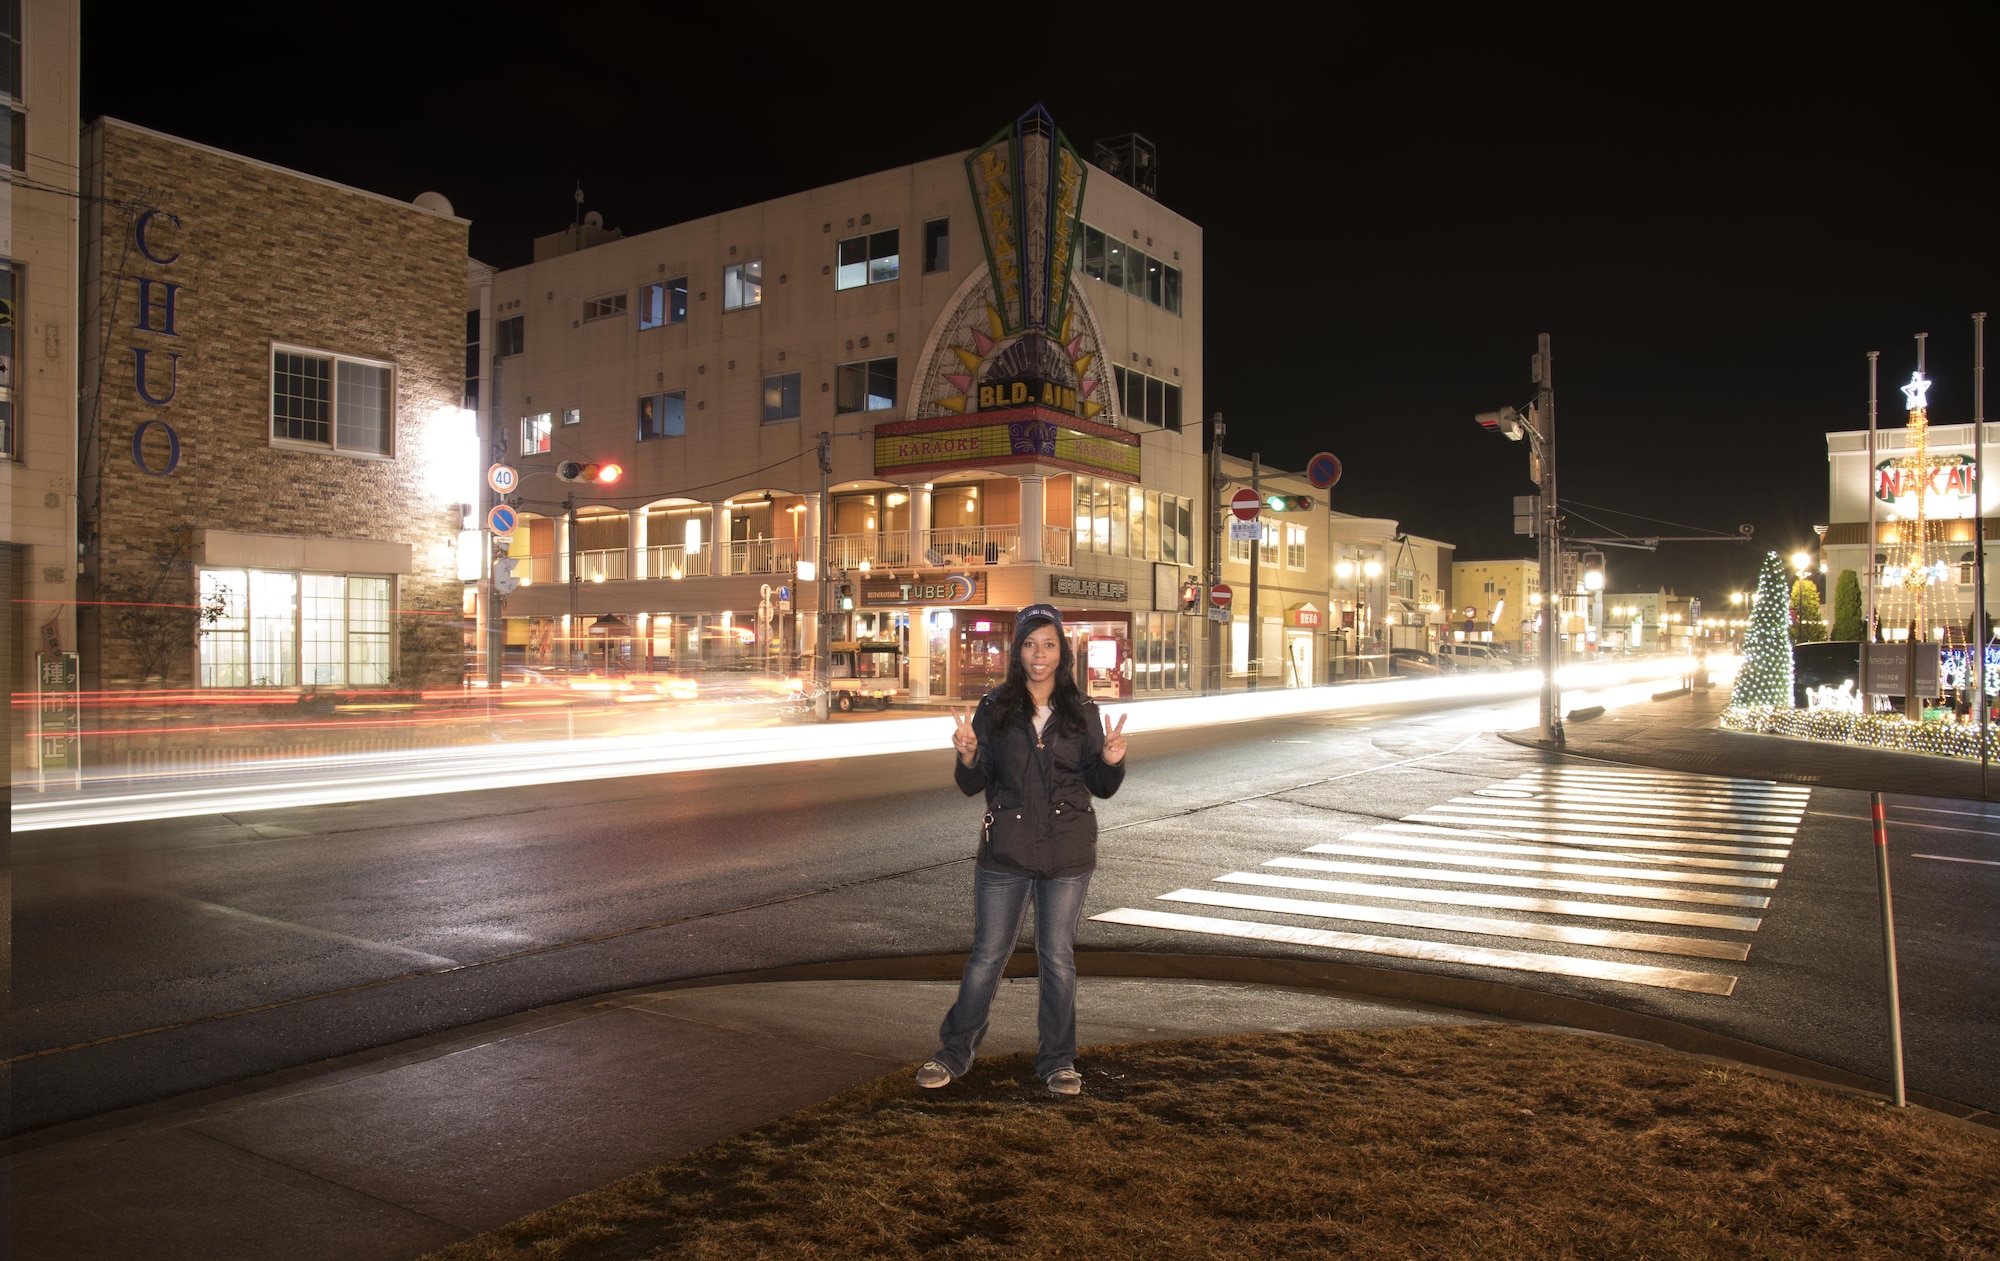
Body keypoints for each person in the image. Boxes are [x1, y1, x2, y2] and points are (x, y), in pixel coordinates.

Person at [917, 604, 1128, 1097]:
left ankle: (1058, 1061)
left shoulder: (1083, 712)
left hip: (1067, 854)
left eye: (1049, 644)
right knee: (987, 955)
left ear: (1062, 652)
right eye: (1031, 644)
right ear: (1018, 651)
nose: (1040, 654)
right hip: (1005, 854)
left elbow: (1100, 785)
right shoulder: (995, 708)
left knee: (1057, 957)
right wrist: (968, 753)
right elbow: (975, 783)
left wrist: (1113, 761)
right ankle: (953, 1053)